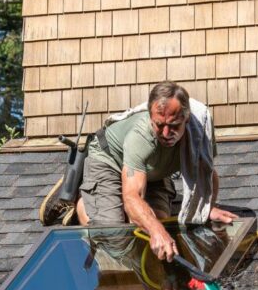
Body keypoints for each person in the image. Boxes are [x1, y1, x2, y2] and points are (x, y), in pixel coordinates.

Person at [43, 81, 237, 262]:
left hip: (153, 171)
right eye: (159, 125)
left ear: (186, 118)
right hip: (109, 161)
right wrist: (155, 230)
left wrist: (206, 207)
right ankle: (82, 202)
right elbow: (132, 197)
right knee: (116, 237)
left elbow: (207, 173)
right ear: (151, 117)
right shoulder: (141, 136)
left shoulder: (199, 130)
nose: (166, 134)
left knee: (160, 225)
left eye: (174, 126)